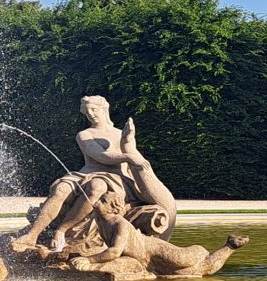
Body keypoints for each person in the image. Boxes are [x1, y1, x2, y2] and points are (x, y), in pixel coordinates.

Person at [13, 95, 175, 251]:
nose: (91, 114)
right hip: (85, 175)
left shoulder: (120, 133)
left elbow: (133, 156)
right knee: (61, 189)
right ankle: (32, 235)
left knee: (97, 186)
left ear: (104, 109)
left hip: (116, 180)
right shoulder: (84, 135)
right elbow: (101, 156)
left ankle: (61, 230)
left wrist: (127, 141)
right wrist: (128, 156)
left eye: (94, 110)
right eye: (87, 112)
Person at [70, 191, 247, 277]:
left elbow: (115, 251)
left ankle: (211, 248)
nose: (97, 203)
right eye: (99, 199)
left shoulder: (120, 224)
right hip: (145, 260)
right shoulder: (100, 219)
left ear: (114, 208)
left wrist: (89, 260)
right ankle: (229, 246)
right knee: (194, 272)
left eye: (103, 201)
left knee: (186, 260)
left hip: (154, 250)